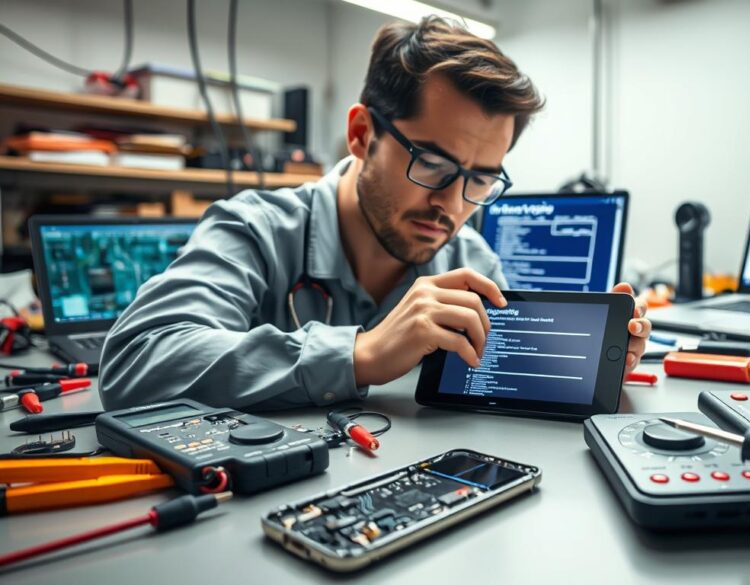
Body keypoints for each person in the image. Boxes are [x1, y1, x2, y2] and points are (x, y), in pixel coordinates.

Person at [99, 16, 650, 410]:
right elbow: (136, 360)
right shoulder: (254, 229)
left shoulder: (469, 259)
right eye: (433, 163)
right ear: (362, 134)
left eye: (481, 178)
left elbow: (497, 384)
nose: (454, 206)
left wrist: (584, 369)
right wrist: (361, 354)